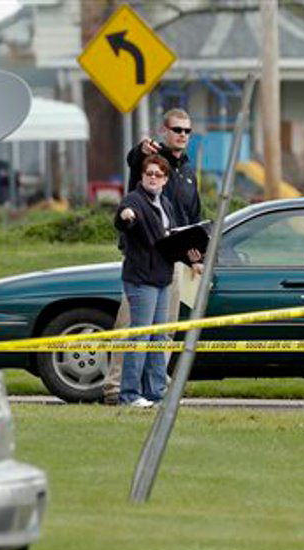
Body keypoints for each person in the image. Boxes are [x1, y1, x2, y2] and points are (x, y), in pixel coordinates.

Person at [103, 108, 203, 405]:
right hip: (143, 265)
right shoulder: (149, 159)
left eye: (187, 131)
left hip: (172, 262)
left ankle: (155, 389)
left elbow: (192, 217)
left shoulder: (186, 171)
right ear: (164, 130)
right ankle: (117, 389)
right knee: (133, 331)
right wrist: (139, 150)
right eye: (177, 130)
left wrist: (195, 256)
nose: (182, 135)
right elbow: (135, 162)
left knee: (164, 332)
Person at [114, 155, 198, 407]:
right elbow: (122, 219)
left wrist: (191, 258)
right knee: (140, 337)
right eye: (149, 173)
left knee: (160, 337)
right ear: (142, 176)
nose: (153, 178)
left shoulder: (165, 203)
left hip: (163, 278)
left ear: (165, 179)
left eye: (158, 174)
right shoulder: (134, 200)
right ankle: (129, 395)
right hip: (141, 279)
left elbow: (170, 240)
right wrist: (125, 216)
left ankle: (155, 393)